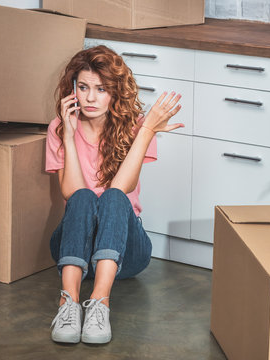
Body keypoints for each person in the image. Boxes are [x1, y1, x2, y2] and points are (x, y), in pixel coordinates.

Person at [45, 45, 182, 344]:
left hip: (126, 252)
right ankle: (68, 304)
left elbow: (122, 189)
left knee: (112, 197)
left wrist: (146, 132)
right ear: (72, 89)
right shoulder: (59, 127)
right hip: (74, 247)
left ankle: (99, 304)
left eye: (101, 89)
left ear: (116, 92)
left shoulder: (135, 128)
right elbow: (70, 192)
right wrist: (68, 135)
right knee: (82, 197)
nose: (90, 98)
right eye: (83, 87)